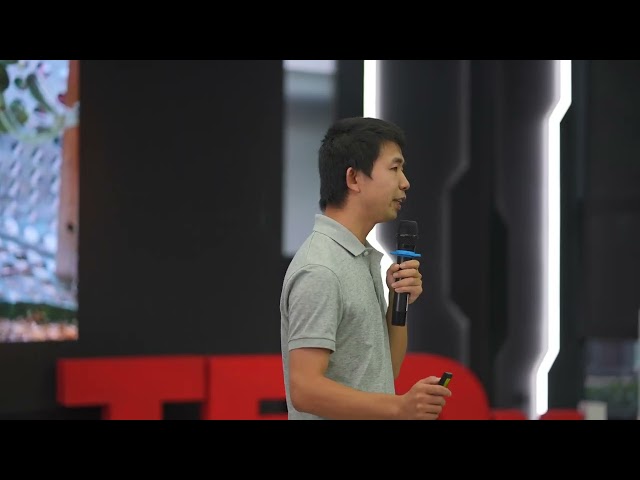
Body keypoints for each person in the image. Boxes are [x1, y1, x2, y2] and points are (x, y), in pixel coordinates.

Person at [280, 116, 452, 420]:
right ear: (354, 179)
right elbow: (304, 389)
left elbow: (386, 371)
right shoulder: (321, 268)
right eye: (394, 168)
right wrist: (400, 407)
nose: (405, 182)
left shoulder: (358, 258)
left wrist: (397, 300)